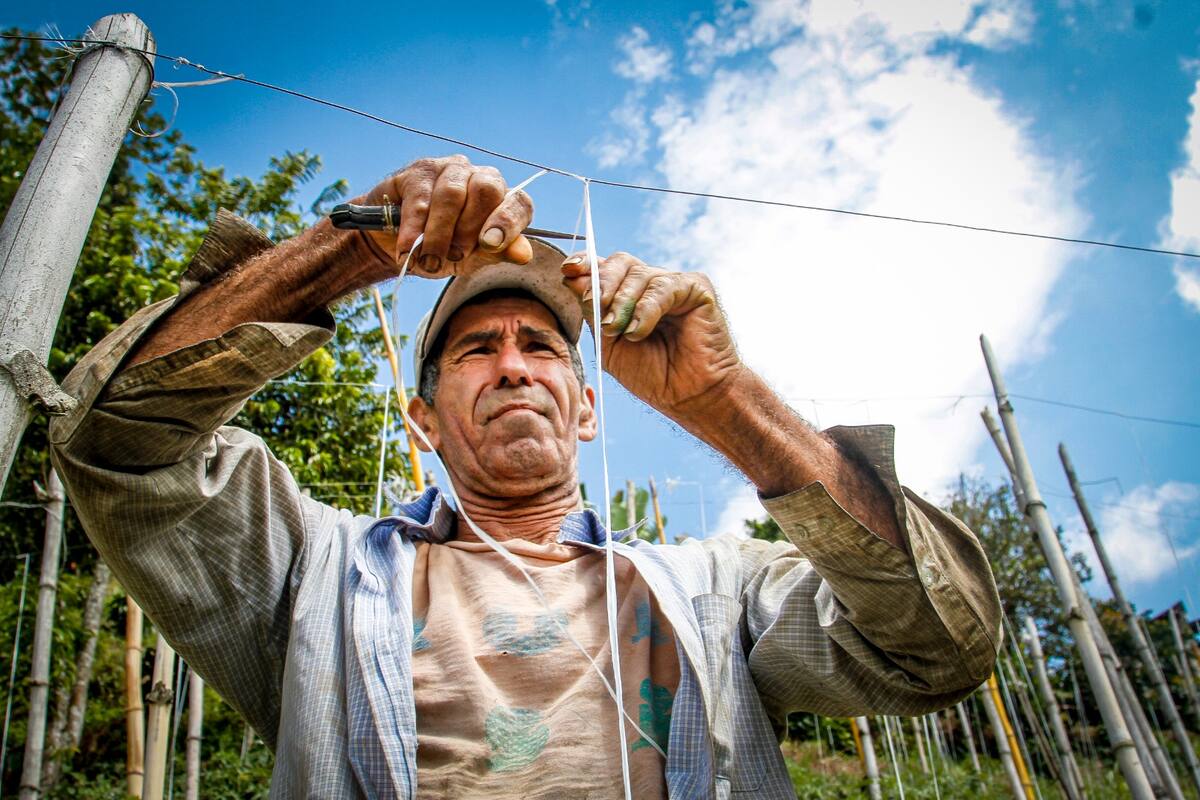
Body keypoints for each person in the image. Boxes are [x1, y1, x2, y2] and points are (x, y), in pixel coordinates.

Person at [50, 155, 1001, 799]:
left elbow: (937, 645)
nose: (512, 365)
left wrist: (723, 399)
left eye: (542, 345)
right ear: (420, 421)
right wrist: (356, 248)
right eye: (474, 350)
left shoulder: (719, 590)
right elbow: (115, 442)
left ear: (587, 408)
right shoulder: (316, 574)